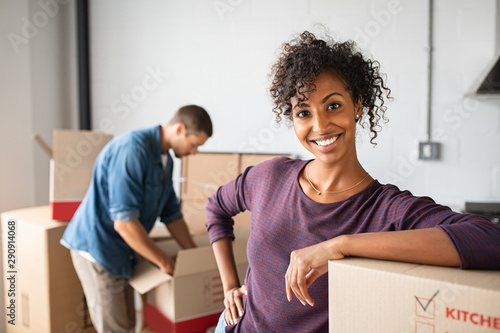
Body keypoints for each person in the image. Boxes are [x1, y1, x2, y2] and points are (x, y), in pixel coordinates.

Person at [206, 31, 500, 333]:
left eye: (333, 105)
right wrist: (230, 286)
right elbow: (216, 207)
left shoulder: (387, 211)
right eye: (303, 112)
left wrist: (340, 246)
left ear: (357, 105)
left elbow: (490, 240)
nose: (320, 126)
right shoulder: (269, 176)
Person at [61, 105, 213, 333]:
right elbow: (124, 223)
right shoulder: (133, 150)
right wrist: (165, 263)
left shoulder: (165, 161)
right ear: (180, 129)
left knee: (130, 325)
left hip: (122, 252)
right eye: (194, 145)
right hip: (97, 249)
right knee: (115, 329)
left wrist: (193, 256)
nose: (194, 153)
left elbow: (172, 215)